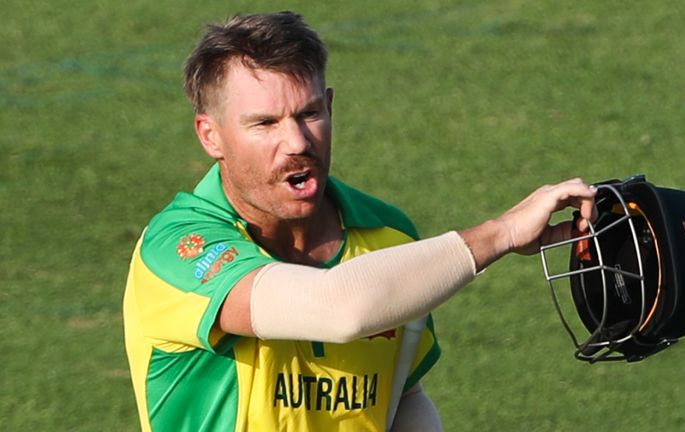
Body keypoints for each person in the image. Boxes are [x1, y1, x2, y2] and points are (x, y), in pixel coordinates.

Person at [123, 11, 596, 432]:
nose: (296, 142)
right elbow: (338, 307)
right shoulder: (176, 249)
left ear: (330, 105)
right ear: (211, 135)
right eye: (264, 123)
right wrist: (503, 233)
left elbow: (403, 395)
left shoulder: (388, 237)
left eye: (309, 113)